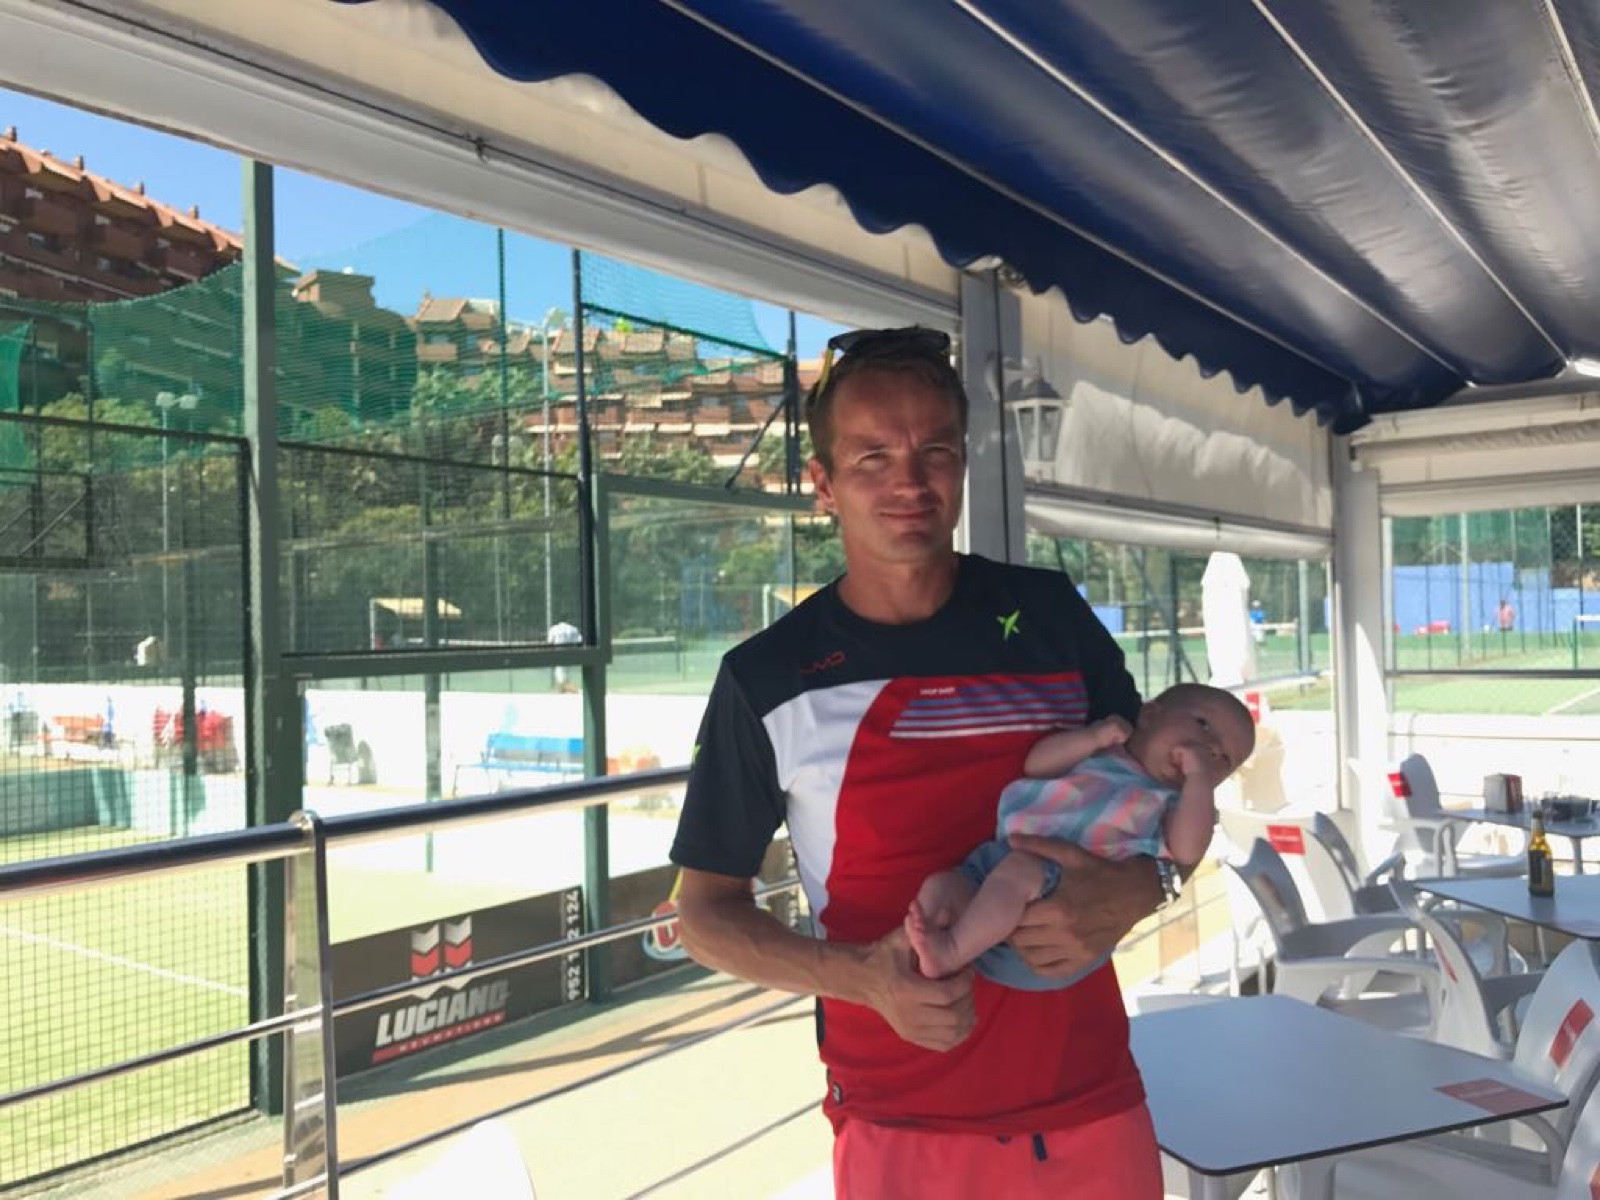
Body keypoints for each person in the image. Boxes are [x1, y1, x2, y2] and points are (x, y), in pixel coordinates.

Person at [670, 326, 1172, 1199]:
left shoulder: (1051, 615)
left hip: (1090, 1102)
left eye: (934, 450)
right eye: (872, 457)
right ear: (823, 483)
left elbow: (1161, 786)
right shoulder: (766, 677)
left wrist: (1142, 887)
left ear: (962, 463)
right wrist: (862, 980)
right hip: (899, 1122)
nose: (909, 481)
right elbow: (704, 915)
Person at [905, 684, 1254, 987]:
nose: (1209, 749)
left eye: (1224, 758)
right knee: (942, 885)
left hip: (1062, 906)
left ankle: (951, 952)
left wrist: (1198, 782)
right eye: (1203, 724)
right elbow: (1036, 765)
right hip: (996, 865)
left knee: (1018, 873)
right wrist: (1092, 737)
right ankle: (929, 947)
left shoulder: (1176, 804)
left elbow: (1187, 850)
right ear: (1149, 715)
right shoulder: (1102, 749)